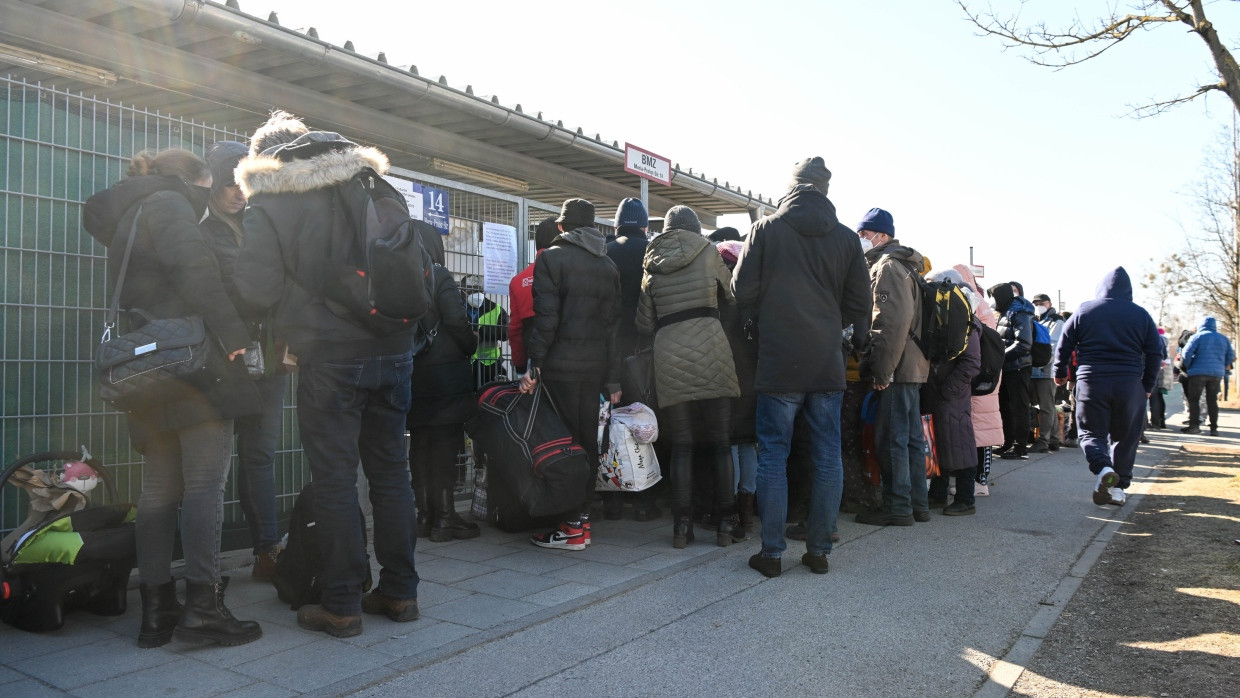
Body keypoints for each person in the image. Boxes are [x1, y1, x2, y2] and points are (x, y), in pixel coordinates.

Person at [235, 113, 420, 637]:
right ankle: (401, 592)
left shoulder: (273, 199)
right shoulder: (379, 186)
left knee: (336, 479)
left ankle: (341, 604)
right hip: (395, 347)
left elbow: (257, 288)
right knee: (390, 473)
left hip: (330, 355)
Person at [82, 148, 262, 648]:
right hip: (190, 364)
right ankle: (204, 606)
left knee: (158, 490)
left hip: (147, 367)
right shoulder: (171, 205)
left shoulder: (129, 214)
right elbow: (197, 274)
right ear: (196, 184)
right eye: (208, 191)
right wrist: (235, 335)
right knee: (205, 482)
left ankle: (157, 609)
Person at [732, 156, 872, 577]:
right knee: (827, 454)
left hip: (778, 359)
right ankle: (819, 550)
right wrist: (837, 327)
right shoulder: (848, 240)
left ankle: (771, 554)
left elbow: (741, 289)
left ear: (793, 186)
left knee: (773, 453)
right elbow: (860, 304)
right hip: (826, 360)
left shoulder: (766, 229)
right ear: (825, 189)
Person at [200, 140, 287, 581]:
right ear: (212, 182)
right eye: (229, 182)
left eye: (244, 183)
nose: (238, 191)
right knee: (212, 464)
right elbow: (230, 289)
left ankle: (266, 552)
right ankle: (205, 566)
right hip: (223, 359)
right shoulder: (202, 229)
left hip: (267, 359)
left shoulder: (259, 226)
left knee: (260, 456)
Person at [635, 205, 741, 548]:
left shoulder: (651, 262)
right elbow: (730, 297)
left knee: (682, 445)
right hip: (713, 351)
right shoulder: (709, 252)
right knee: (721, 442)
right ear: (695, 228)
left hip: (669, 355)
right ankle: (726, 523)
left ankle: (681, 528)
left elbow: (644, 323)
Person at [521, 198, 622, 551]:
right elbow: (613, 330)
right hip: (593, 369)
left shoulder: (550, 259)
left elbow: (545, 321)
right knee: (587, 442)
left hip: (560, 369)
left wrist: (534, 365)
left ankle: (567, 527)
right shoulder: (608, 266)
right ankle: (582, 521)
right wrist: (613, 380)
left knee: (564, 445)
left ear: (562, 227)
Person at [1053, 267, 1162, 506]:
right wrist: (1147, 385)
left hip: (1092, 380)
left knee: (1090, 433)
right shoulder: (1141, 315)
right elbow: (1156, 352)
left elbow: (1064, 344)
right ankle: (1118, 490)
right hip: (1129, 383)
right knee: (1126, 438)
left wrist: (1060, 373)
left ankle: (1103, 469)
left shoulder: (1084, 310)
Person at [854, 208, 932, 527]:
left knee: (892, 438)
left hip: (898, 367)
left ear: (882, 236)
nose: (860, 240)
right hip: (913, 365)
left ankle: (897, 506)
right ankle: (917, 503)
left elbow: (890, 324)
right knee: (911, 437)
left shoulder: (887, 266)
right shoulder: (906, 265)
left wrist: (882, 371)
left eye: (864, 234)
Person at [408, 224, 479, 542]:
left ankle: (425, 516)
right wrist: (469, 345)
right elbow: (456, 320)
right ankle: (446, 518)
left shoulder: (401, 277)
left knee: (420, 443)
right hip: (445, 375)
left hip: (413, 373)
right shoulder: (438, 275)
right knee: (445, 445)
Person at [603, 197, 660, 521]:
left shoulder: (607, 252)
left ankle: (611, 499)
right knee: (644, 423)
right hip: (645, 350)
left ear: (616, 225)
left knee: (612, 422)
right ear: (644, 225)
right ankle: (646, 500)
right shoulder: (650, 251)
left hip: (611, 350)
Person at [924, 269, 983, 515]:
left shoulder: (964, 317)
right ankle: (937, 494)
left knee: (959, 446)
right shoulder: (946, 315)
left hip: (951, 395)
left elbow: (972, 362)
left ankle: (966, 498)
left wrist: (948, 390)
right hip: (942, 392)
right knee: (940, 445)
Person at [717, 239, 760, 532]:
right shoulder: (757, 294)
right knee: (748, 444)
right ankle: (747, 513)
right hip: (753, 377)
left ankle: (730, 512)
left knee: (730, 443)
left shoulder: (720, 297)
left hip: (725, 375)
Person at [953, 264, 1003, 497]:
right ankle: (979, 478)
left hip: (979, 372)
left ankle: (980, 480)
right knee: (982, 426)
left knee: (981, 428)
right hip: (988, 372)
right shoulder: (981, 302)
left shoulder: (973, 303)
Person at [988, 281, 1036, 460]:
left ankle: (1020, 446)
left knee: (1019, 407)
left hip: (1018, 367)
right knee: (1005, 407)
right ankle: (1008, 443)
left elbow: (1024, 343)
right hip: (1007, 366)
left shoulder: (1019, 312)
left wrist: (999, 357)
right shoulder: (1005, 311)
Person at [509, 218, 560, 372]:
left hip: (534, 361)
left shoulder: (518, 281)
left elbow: (515, 329)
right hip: (569, 358)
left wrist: (520, 364)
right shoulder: (571, 272)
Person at [1179, 316, 1236, 436]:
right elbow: (1231, 356)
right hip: (1216, 374)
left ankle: (1194, 426)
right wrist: (1222, 366)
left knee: (1194, 400)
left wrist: (1189, 366)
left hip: (1197, 373)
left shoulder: (1197, 336)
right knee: (1212, 400)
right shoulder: (1223, 338)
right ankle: (1214, 429)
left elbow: (1186, 352)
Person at [1029, 293, 1066, 453]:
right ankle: (1053, 439)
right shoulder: (1037, 319)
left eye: (1041, 302)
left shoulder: (1056, 320)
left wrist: (1041, 361)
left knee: (1046, 407)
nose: (1038, 305)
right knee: (1048, 405)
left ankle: (1043, 440)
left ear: (1049, 303)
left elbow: (1053, 345)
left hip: (1047, 369)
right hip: (1037, 368)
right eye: (1035, 302)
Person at [464, 283, 508, 390]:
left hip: (490, 364)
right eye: (471, 291)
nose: (477, 294)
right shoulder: (457, 308)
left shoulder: (496, 309)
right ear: (463, 292)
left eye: (479, 291)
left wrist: (482, 332)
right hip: (464, 363)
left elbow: (506, 332)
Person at [1149, 327, 1171, 429]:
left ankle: (1143, 426)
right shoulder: (1163, 340)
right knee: (1157, 397)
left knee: (1144, 398)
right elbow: (1165, 356)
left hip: (1145, 368)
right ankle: (1157, 422)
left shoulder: (1147, 337)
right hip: (1159, 369)